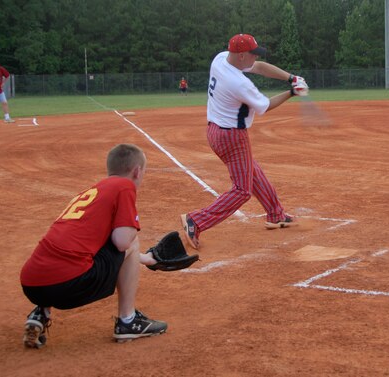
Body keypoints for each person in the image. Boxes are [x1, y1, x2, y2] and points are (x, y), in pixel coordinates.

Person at [20, 144, 167, 348]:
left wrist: (147, 259)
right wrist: (133, 224)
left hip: (32, 284)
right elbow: (123, 242)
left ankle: (40, 311)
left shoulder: (91, 192)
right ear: (137, 171)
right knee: (131, 240)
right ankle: (128, 321)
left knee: (71, 249)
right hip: (67, 285)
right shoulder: (124, 187)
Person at [180, 33, 308, 249]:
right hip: (232, 137)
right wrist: (292, 92)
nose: (255, 59)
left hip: (215, 129)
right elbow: (265, 106)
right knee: (242, 190)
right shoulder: (239, 83)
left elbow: (259, 67)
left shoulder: (221, 58)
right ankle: (196, 220)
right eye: (252, 54)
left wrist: (291, 77)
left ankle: (276, 214)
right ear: (240, 56)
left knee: (252, 171)